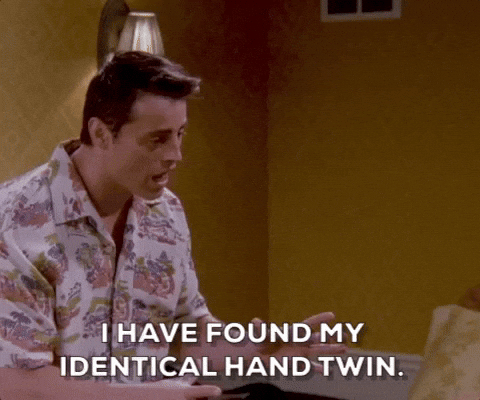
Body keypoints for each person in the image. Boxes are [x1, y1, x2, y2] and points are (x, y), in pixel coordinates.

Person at [0, 51, 346, 399]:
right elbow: (16, 384)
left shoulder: (164, 212)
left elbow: (189, 335)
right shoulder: (16, 220)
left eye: (180, 134)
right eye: (158, 139)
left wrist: (253, 351)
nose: (175, 154)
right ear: (101, 133)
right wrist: (150, 397)